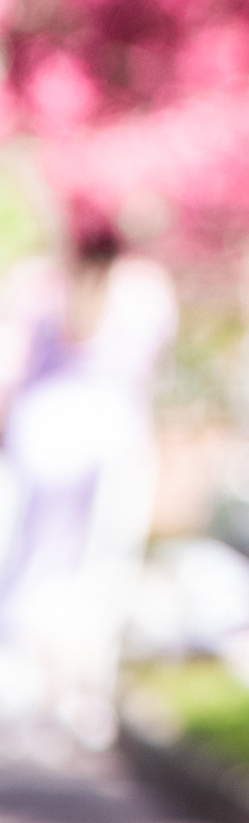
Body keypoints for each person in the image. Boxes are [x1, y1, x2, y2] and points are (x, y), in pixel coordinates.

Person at [0, 210, 177, 753]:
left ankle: (30, 684)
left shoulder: (38, 284)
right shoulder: (145, 291)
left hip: (43, 433)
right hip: (107, 439)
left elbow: (10, 368)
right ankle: (78, 690)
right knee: (98, 567)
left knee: (30, 563)